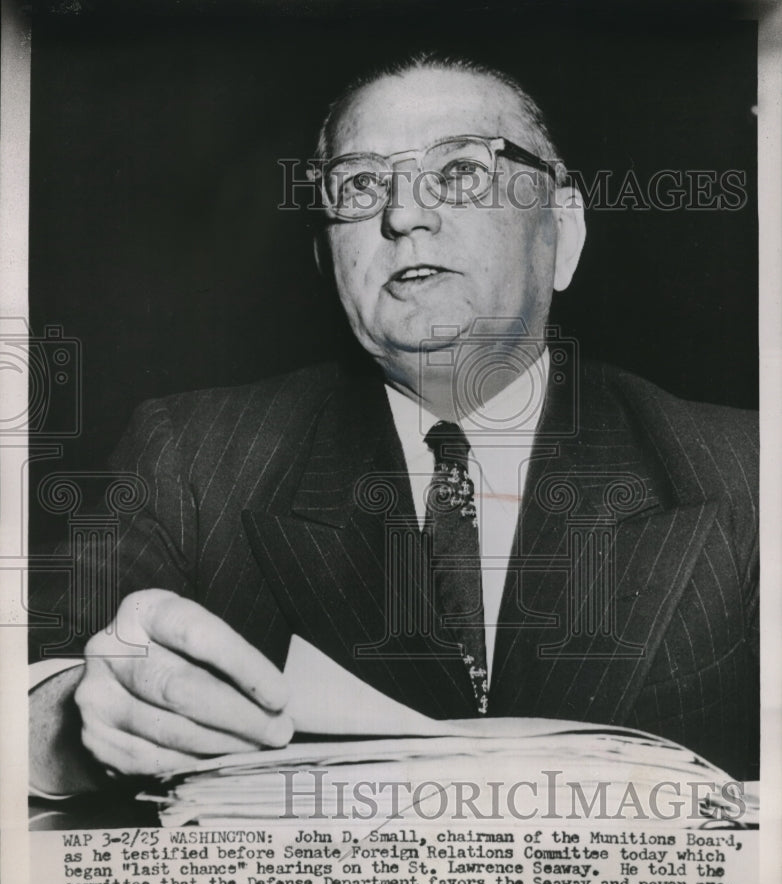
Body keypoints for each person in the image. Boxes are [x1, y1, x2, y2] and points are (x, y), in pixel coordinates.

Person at [29, 54, 759, 796]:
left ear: (562, 232)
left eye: (461, 172)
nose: (405, 214)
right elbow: (44, 673)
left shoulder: (750, 470)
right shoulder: (189, 458)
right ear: (325, 255)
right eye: (360, 185)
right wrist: (68, 723)